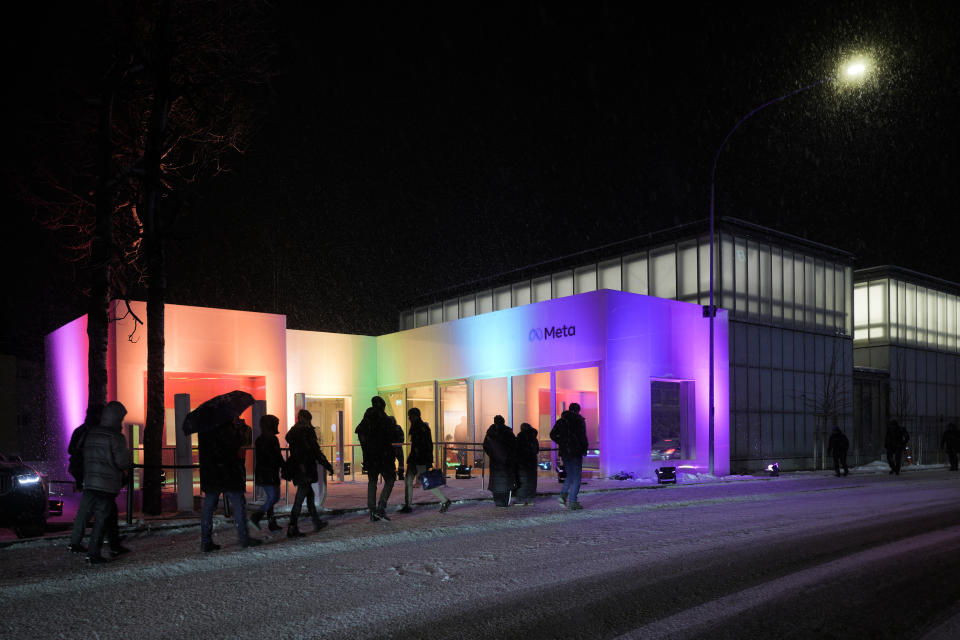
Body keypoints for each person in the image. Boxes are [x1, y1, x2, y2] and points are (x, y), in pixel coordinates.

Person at [76, 401, 132, 564]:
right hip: (106, 484)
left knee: (91, 514)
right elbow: (122, 462)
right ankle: (94, 554)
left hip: (91, 481)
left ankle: (110, 546)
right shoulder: (116, 437)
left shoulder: (92, 433)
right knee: (101, 519)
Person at [199, 416, 262, 551]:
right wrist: (240, 429)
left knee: (208, 508)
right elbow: (238, 445)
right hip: (228, 474)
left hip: (210, 474)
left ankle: (206, 541)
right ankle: (243, 538)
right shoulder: (228, 430)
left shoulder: (204, 431)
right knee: (239, 505)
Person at [285, 410, 333, 537]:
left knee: (309, 495)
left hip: (298, 468)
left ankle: (316, 521)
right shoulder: (306, 432)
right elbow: (315, 451)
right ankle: (292, 526)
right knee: (300, 498)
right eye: (308, 419)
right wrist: (327, 465)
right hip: (305, 469)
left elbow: (297, 451)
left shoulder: (294, 432)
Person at [399, 407, 452, 513]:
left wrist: (427, 460)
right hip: (417, 459)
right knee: (411, 480)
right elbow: (425, 445)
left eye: (411, 416)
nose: (409, 418)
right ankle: (408, 504)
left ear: (416, 416)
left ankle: (444, 500)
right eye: (409, 416)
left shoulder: (420, 428)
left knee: (425, 481)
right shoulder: (418, 427)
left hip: (419, 459)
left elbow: (427, 446)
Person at [66, 404, 103, 554]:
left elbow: (70, 450)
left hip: (84, 474)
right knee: (103, 508)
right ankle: (102, 543)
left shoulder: (80, 430)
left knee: (86, 509)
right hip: (96, 474)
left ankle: (76, 542)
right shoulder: (98, 432)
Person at [355, 396, 398, 521]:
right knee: (390, 480)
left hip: (371, 456)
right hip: (384, 456)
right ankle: (381, 507)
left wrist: (366, 448)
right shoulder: (385, 419)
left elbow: (359, 431)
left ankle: (372, 510)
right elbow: (395, 436)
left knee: (372, 482)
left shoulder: (367, 419)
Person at [550, 402, 589, 510]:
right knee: (577, 477)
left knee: (570, 475)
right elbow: (583, 437)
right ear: (578, 410)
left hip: (565, 452)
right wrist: (584, 449)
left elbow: (552, 434)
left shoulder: (561, 421)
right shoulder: (579, 421)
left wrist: (562, 442)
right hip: (576, 451)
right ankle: (572, 501)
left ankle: (563, 495)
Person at [251, 414, 284, 532]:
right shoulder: (267, 440)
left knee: (272, 497)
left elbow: (275, 456)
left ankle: (271, 522)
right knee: (273, 497)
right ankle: (257, 516)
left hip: (267, 472)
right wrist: (282, 465)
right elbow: (275, 456)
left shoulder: (263, 439)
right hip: (268, 473)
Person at [483, 415, 517, 507]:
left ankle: (498, 501)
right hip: (506, 463)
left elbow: (486, 446)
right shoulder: (508, 432)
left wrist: (492, 454)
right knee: (506, 482)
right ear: (503, 421)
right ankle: (505, 502)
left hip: (495, 463)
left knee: (496, 482)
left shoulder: (490, 433)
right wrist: (509, 456)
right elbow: (514, 446)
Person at [515, 422, 540, 505]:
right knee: (531, 480)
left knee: (522, 480)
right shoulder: (534, 438)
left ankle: (521, 499)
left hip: (522, 462)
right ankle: (530, 499)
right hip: (532, 461)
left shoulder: (519, 438)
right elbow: (536, 450)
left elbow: (516, 450)